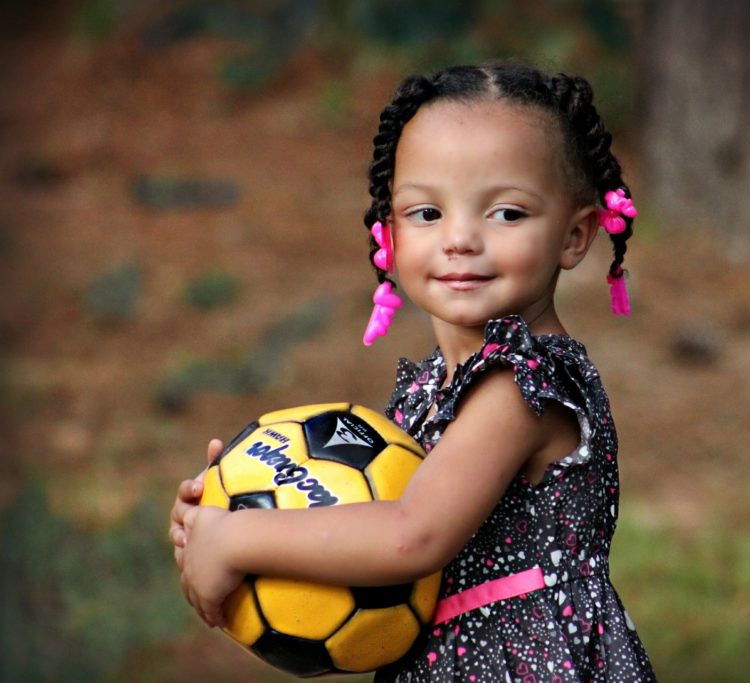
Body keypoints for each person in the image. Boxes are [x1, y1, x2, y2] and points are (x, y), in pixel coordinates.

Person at [169, 61, 656, 682]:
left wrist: (238, 540)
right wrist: (225, 510)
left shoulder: (522, 386)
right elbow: (366, 532)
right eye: (427, 213)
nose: (460, 239)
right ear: (388, 232)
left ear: (575, 234)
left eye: (506, 213)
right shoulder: (437, 388)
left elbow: (410, 536)